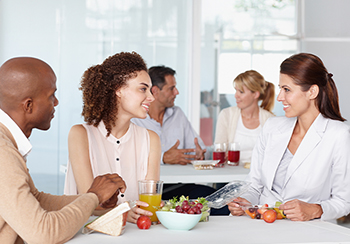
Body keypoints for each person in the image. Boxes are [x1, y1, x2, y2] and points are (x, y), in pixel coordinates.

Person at [0, 57, 126, 243]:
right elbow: (43, 234)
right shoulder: (3, 153)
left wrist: (93, 201)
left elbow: (35, 200)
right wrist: (94, 196)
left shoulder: (7, 142)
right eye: (52, 95)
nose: (56, 102)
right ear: (29, 105)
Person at [228, 53, 350, 221]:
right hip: (263, 224)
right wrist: (245, 202)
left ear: (312, 92)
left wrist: (315, 210)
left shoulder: (338, 135)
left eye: (287, 90)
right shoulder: (272, 127)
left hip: (309, 230)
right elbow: (255, 185)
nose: (279, 97)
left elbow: (343, 202)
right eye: (280, 89)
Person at [64, 52, 161, 224]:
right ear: (118, 90)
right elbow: (90, 203)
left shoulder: (150, 139)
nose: (151, 98)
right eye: (143, 89)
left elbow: (148, 203)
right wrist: (122, 212)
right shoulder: (80, 135)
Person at [132, 65, 230, 215]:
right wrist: (163, 157)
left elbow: (197, 146)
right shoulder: (135, 119)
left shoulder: (178, 114)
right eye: (171, 88)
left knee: (222, 202)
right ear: (155, 92)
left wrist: (199, 154)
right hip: (149, 191)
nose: (176, 92)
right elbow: (129, 157)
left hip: (181, 186)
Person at [214, 70, 275, 166]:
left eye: (241, 92)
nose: (236, 95)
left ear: (255, 94)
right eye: (236, 90)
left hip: (259, 176)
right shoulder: (226, 115)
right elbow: (219, 148)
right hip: (229, 176)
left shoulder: (270, 120)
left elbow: (273, 154)